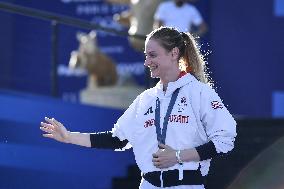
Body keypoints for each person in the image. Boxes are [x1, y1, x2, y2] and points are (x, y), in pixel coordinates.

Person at [40, 26, 236, 189]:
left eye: (152, 55)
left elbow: (225, 140)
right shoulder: (145, 99)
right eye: (145, 56)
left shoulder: (199, 93)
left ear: (174, 53)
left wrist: (177, 157)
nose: (146, 62)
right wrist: (69, 137)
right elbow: (117, 139)